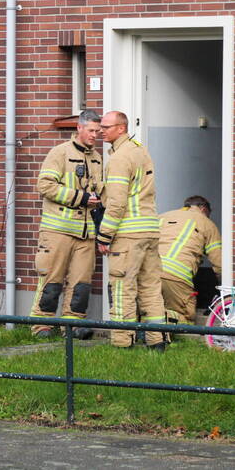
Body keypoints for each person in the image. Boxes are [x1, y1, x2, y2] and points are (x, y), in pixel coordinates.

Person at [95, 111, 167, 350]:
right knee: (151, 288)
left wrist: (104, 234)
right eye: (100, 126)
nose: (100, 131)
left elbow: (116, 203)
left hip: (128, 234)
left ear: (121, 128)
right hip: (150, 231)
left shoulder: (119, 158)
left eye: (106, 127)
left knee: (122, 287)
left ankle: (122, 343)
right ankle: (157, 341)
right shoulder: (140, 150)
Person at [29, 110, 103, 338]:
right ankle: (41, 325)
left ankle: (72, 325)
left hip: (86, 233)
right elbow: (45, 186)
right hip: (58, 230)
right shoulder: (59, 153)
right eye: (91, 130)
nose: (94, 135)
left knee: (81, 283)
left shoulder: (97, 158)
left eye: (98, 131)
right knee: (52, 279)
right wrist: (79, 198)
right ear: (79, 128)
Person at [158, 195, 223, 324]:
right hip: (176, 277)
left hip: (147, 272)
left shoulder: (162, 216)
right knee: (186, 317)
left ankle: (149, 332)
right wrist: (225, 286)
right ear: (203, 209)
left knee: (150, 308)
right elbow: (218, 262)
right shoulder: (207, 224)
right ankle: (171, 330)